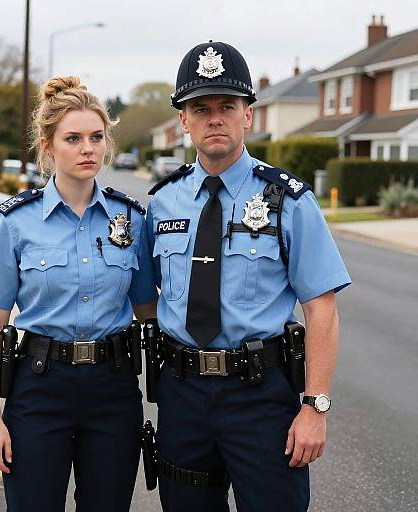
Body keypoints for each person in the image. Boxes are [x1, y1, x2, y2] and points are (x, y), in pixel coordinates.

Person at [146, 41, 352, 512]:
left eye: (227, 106)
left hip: (260, 397)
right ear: (184, 120)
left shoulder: (290, 202)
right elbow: (143, 295)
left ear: (248, 116)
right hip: (183, 394)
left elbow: (322, 308)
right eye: (201, 108)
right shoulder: (162, 203)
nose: (214, 118)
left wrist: (314, 407)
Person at [0, 76, 157, 512]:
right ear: (48, 145)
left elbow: (148, 310)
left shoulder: (131, 221)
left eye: (96, 137)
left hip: (113, 388)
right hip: (39, 387)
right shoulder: (15, 223)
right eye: (73, 138)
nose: (88, 148)